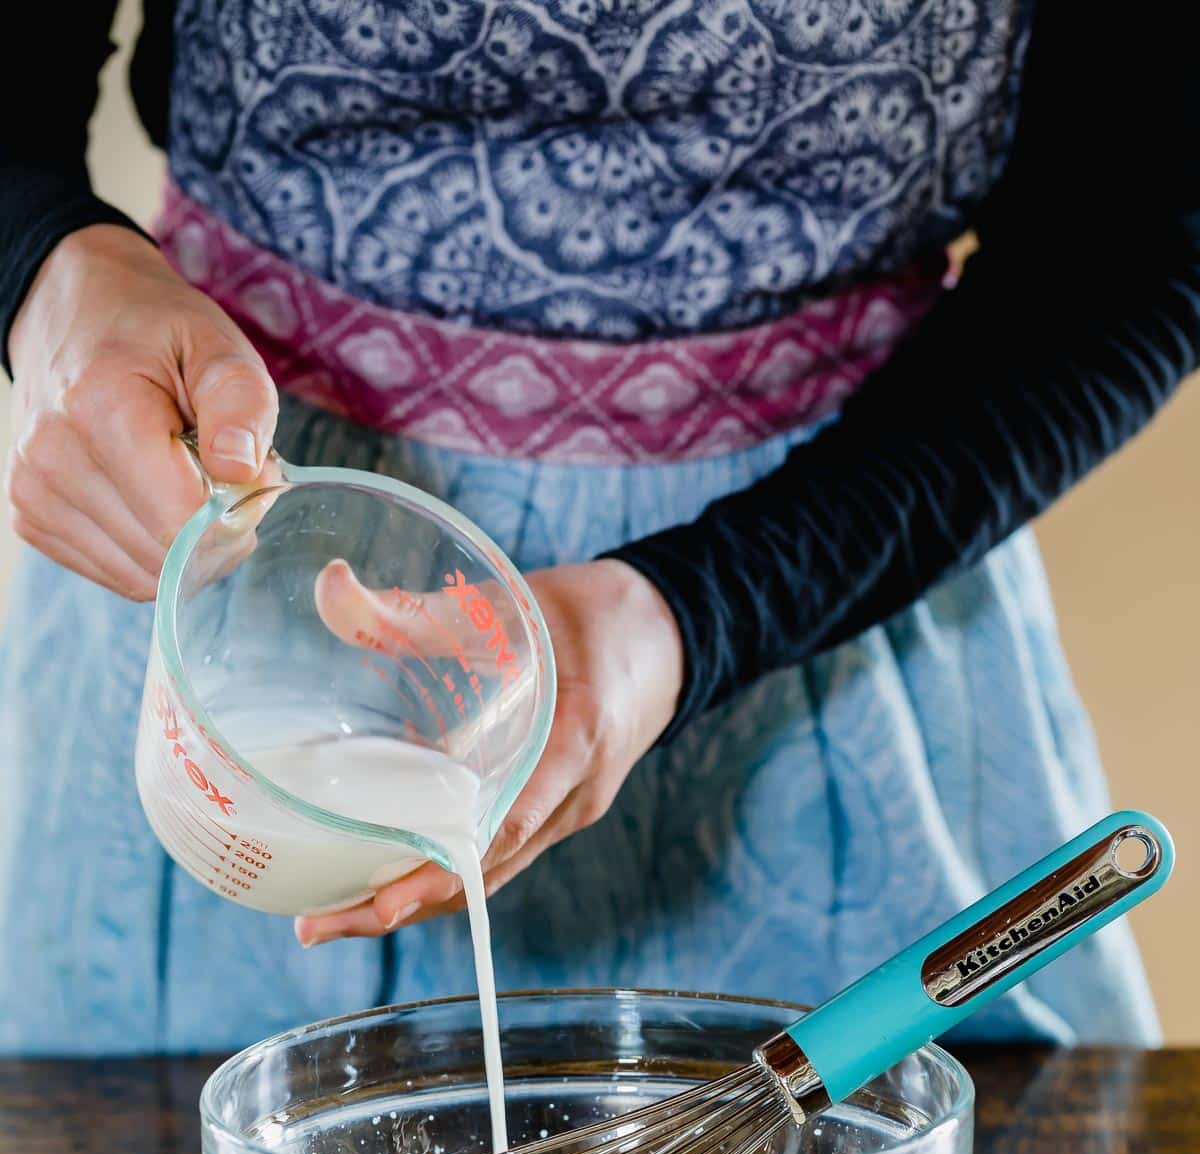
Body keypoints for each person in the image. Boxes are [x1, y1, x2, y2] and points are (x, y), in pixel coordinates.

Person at [0, 2, 1195, 1056]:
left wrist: (696, 610)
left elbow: (1138, 236)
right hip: (239, 609)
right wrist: (48, 273)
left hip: (835, 583)